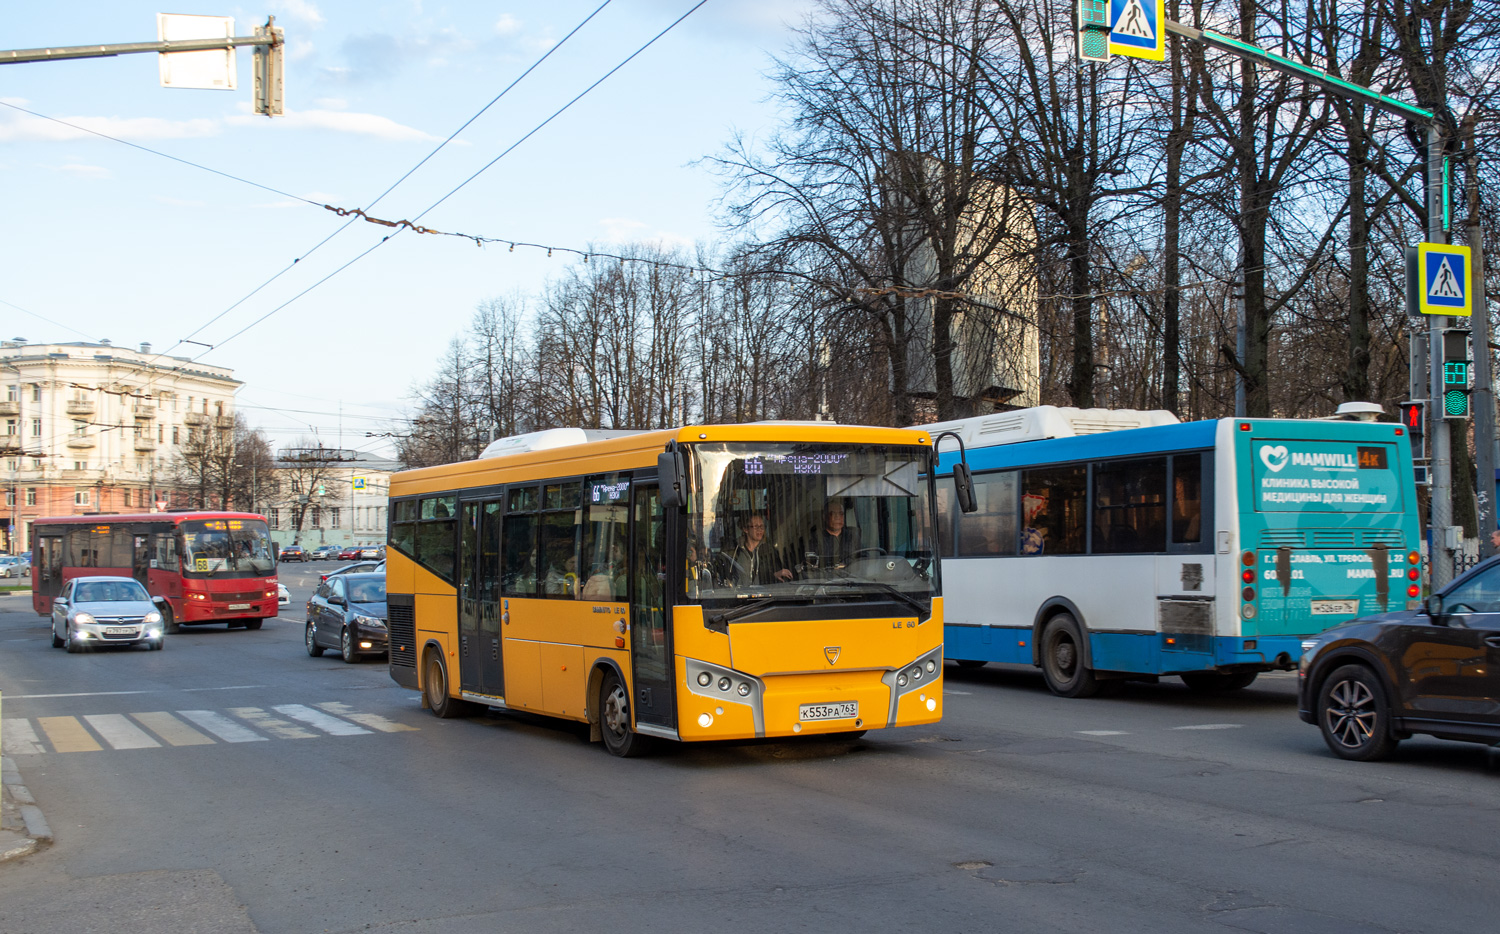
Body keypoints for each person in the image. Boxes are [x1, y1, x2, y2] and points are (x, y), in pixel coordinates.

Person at [721, 514, 792, 586]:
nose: (760, 530)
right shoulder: (735, 551)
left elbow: (775, 576)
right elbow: (727, 577)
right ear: (746, 529)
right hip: (739, 595)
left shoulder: (769, 551)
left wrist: (775, 575)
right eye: (756, 526)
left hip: (763, 595)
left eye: (762, 526)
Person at [811, 499, 859, 571]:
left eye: (841, 514)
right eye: (832, 514)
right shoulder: (816, 539)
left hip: (851, 578)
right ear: (824, 517)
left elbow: (864, 557)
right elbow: (812, 563)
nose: (837, 517)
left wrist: (846, 564)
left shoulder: (852, 536)